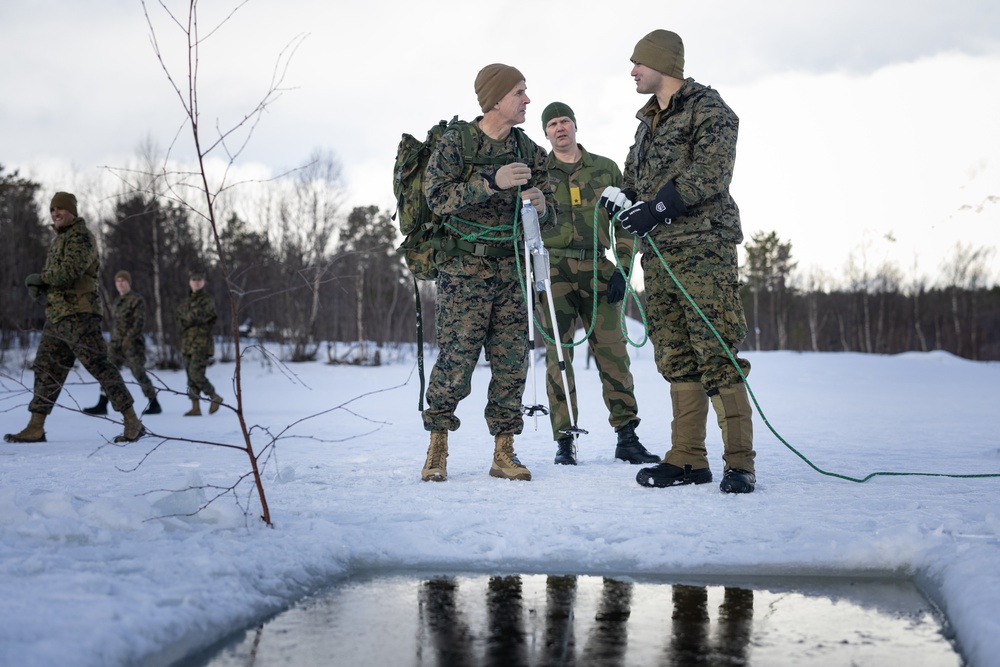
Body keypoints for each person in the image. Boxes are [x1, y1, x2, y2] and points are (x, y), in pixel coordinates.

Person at [600, 30, 757, 493]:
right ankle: (688, 458)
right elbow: (636, 178)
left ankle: (740, 463)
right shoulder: (647, 121)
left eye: (638, 64)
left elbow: (711, 172)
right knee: (675, 354)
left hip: (703, 251)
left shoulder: (709, 109)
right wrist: (624, 198)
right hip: (661, 256)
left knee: (718, 354)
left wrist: (659, 207)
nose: (632, 72)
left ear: (662, 64)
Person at [420, 63, 557, 483]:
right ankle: (437, 447)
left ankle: (504, 452)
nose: (527, 100)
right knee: (457, 359)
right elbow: (437, 197)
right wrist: (490, 182)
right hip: (465, 269)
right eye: (519, 92)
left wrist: (542, 202)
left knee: (513, 361)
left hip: (512, 268)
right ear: (495, 100)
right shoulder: (457, 143)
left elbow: (550, 200)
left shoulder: (527, 148)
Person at [538, 101, 660, 467]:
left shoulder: (605, 169)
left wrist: (624, 268)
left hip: (597, 267)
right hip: (553, 269)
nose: (560, 128)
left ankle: (627, 437)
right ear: (546, 132)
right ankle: (565, 440)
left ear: (575, 126)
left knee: (614, 354)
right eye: (553, 124)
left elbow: (625, 221)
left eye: (565, 121)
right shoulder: (538, 172)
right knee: (558, 357)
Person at [4, 192, 145, 444]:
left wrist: (42, 279)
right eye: (52, 209)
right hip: (57, 317)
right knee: (46, 369)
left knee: (100, 365)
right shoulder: (59, 240)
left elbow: (71, 270)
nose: (55, 213)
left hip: (80, 315)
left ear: (72, 211)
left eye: (60, 208)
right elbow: (60, 276)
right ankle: (36, 426)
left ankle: (132, 420)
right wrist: (44, 287)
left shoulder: (81, 236)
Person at [83, 270, 161, 416]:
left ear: (128, 283)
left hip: (133, 344)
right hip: (116, 344)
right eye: (118, 281)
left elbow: (139, 323)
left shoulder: (136, 299)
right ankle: (102, 403)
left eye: (123, 281)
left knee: (139, 373)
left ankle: (154, 403)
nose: (120, 284)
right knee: (108, 372)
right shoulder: (118, 301)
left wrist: (128, 339)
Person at [174, 269, 223, 416]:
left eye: (199, 280)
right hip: (188, 343)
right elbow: (179, 319)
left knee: (196, 373)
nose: (196, 282)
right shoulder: (186, 302)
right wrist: (189, 318)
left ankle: (214, 396)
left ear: (203, 282)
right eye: (194, 280)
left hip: (202, 343)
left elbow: (198, 317)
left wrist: (188, 318)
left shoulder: (207, 300)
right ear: (190, 282)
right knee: (190, 376)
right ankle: (195, 406)